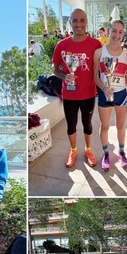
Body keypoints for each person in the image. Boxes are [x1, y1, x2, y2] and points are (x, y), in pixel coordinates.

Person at [52, 9, 103, 168]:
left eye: (82, 20)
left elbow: (102, 67)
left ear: (86, 21)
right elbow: (55, 68)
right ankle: (73, 151)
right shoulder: (62, 45)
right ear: (70, 22)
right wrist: (64, 76)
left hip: (88, 93)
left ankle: (88, 150)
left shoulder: (96, 44)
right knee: (71, 125)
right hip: (69, 95)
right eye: (75, 20)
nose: (78, 24)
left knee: (87, 123)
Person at [92, 20, 127, 171]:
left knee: (121, 126)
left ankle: (121, 152)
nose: (117, 35)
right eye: (114, 31)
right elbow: (95, 76)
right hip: (105, 94)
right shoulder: (99, 52)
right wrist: (104, 88)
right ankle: (105, 154)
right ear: (108, 31)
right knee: (104, 127)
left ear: (123, 34)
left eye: (120, 32)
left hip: (121, 94)